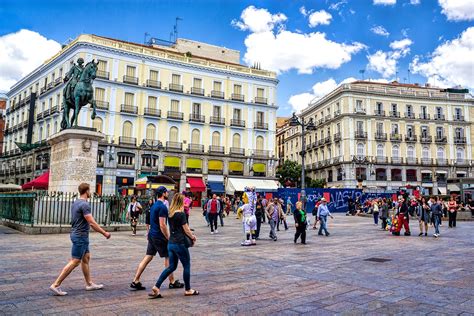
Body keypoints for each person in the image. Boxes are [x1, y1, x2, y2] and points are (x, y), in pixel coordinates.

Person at [50, 183, 111, 296]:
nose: (90, 192)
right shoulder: (84, 205)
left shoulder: (76, 203)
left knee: (86, 258)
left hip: (77, 234)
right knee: (75, 261)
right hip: (80, 236)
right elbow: (92, 222)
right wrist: (104, 233)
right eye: (90, 190)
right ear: (87, 191)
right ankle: (56, 285)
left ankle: (89, 284)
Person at [129, 186, 184, 291]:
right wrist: (168, 237)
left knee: (148, 257)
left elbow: (150, 222)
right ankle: (172, 282)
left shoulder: (154, 206)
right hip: (159, 236)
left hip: (152, 235)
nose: (167, 193)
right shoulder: (162, 207)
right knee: (168, 257)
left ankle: (135, 280)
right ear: (163, 194)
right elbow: (162, 225)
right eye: (166, 192)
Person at [148, 193, 198, 299]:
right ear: (180, 202)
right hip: (180, 243)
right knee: (186, 265)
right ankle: (188, 289)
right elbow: (186, 229)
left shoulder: (170, 214)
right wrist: (193, 237)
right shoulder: (181, 214)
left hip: (171, 243)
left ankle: (156, 286)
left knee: (171, 266)